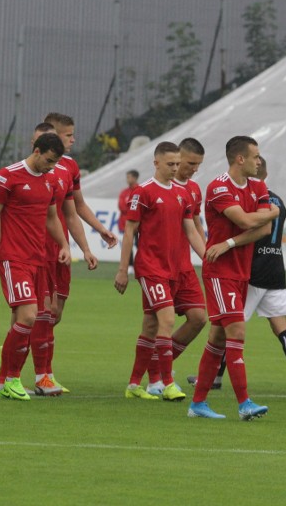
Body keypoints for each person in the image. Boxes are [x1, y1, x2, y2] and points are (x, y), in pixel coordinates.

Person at [187, 156, 286, 395]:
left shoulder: (250, 199)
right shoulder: (278, 202)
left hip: (250, 270)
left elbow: (248, 224)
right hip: (275, 269)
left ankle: (215, 378)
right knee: (281, 325)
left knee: (228, 326)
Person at [0, 132, 72, 401]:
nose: (51, 167)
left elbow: (52, 217)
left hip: (38, 259)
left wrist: (64, 245)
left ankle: (4, 383)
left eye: (55, 163)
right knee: (28, 317)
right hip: (14, 258)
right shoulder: (8, 176)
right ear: (36, 151)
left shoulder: (50, 180)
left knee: (21, 321)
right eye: (48, 160)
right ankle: (12, 378)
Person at [187, 136, 278, 420]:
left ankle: (198, 404)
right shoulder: (218, 187)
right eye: (255, 156)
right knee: (236, 332)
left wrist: (228, 244)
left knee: (216, 337)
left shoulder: (258, 186)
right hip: (219, 272)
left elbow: (265, 230)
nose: (259, 161)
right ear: (240, 159)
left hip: (239, 268)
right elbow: (249, 221)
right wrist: (272, 211)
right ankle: (244, 403)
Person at [114, 142, 206, 401]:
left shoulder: (183, 193)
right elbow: (130, 230)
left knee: (154, 323)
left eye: (178, 164)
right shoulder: (143, 192)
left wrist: (208, 258)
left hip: (177, 267)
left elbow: (190, 229)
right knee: (166, 320)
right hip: (151, 268)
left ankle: (134, 384)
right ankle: (166, 383)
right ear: (156, 163)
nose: (175, 168)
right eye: (171, 164)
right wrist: (124, 270)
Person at [41, 112, 117, 392]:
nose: (73, 140)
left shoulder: (70, 167)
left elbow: (75, 209)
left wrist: (93, 237)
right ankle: (43, 375)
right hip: (38, 249)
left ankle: (10, 351)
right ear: (52, 134)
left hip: (61, 250)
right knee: (43, 312)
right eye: (68, 134)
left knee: (56, 313)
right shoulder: (36, 166)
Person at [144, 137, 208, 396]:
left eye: (198, 165)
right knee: (155, 323)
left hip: (184, 267)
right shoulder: (154, 188)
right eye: (191, 163)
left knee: (198, 318)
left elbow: (195, 226)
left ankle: (158, 369)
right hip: (158, 267)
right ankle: (154, 379)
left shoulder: (193, 189)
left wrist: (207, 256)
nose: (194, 169)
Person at [118, 169, 139, 274]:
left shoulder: (140, 191)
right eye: (127, 177)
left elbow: (138, 208)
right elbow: (122, 206)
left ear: (135, 178)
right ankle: (130, 265)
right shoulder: (124, 192)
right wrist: (131, 210)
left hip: (138, 224)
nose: (128, 179)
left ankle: (139, 263)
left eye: (129, 177)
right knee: (128, 244)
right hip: (125, 223)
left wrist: (132, 210)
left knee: (139, 244)